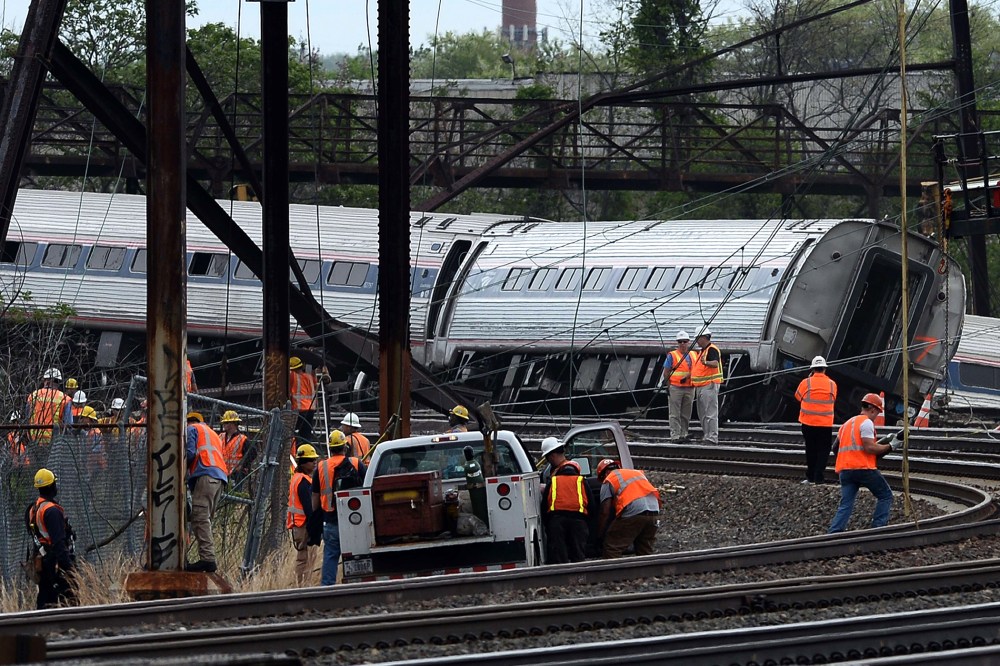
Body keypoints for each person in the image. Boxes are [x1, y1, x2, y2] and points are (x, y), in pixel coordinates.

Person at [828, 393, 898, 533]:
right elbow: (869, 447)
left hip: (845, 471)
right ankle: (877, 530)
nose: (877, 416)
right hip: (863, 469)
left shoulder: (847, 424)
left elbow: (835, 448)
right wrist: (892, 446)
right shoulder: (866, 423)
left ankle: (833, 533)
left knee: (846, 504)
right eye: (877, 412)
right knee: (885, 495)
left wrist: (848, 458)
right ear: (872, 409)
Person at [311, 429, 366, 585]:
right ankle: (357, 585)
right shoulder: (356, 463)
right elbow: (368, 487)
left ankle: (327, 590)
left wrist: (314, 516)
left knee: (330, 556)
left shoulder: (321, 467)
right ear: (345, 446)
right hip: (355, 521)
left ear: (330, 448)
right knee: (357, 555)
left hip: (330, 520)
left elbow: (315, 497)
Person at [25, 468, 75, 609]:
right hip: (55, 562)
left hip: (43, 560)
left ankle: (42, 628)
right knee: (69, 599)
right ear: (52, 486)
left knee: (45, 600)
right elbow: (58, 541)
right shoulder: (51, 511)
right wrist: (68, 566)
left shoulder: (34, 508)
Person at [185, 412, 229, 572]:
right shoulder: (212, 433)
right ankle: (205, 557)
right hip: (219, 477)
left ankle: (207, 559)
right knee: (204, 518)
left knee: (200, 517)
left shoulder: (191, 429)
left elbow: (189, 454)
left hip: (206, 474)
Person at [595, 458, 660, 558]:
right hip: (654, 512)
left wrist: (599, 533)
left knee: (612, 547)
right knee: (644, 549)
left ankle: (613, 573)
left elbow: (605, 512)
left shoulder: (609, 479)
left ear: (604, 473)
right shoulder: (636, 473)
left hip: (634, 513)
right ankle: (648, 573)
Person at [539, 437, 589, 563]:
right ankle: (581, 579)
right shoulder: (580, 479)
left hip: (557, 520)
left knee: (559, 555)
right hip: (578, 520)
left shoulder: (554, 480)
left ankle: (563, 580)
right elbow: (591, 504)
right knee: (578, 555)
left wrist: (546, 524)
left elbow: (544, 505)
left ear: (552, 456)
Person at [795, 355, 838, 484]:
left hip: (808, 422)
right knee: (823, 450)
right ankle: (819, 477)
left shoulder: (805, 383)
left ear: (812, 369)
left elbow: (797, 396)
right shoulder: (832, 384)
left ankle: (810, 477)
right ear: (825, 369)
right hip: (825, 424)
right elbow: (834, 398)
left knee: (811, 449)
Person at [287, 443, 320, 586]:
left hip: (298, 525)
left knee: (302, 558)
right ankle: (302, 585)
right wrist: (314, 526)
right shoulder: (304, 482)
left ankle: (300, 584)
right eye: (311, 460)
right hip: (303, 525)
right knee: (305, 559)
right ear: (303, 462)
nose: (314, 463)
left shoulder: (297, 478)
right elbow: (308, 506)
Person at [691, 328, 723, 445]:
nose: (696, 341)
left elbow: (714, 363)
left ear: (703, 337)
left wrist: (706, 363)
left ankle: (712, 437)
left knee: (710, 413)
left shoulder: (712, 349)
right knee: (703, 413)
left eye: (697, 338)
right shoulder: (703, 351)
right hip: (701, 385)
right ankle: (707, 435)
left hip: (709, 385)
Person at [662, 330, 695, 442]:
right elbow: (666, 371)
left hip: (690, 387)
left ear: (688, 342)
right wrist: (668, 386)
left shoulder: (693, 355)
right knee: (675, 413)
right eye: (680, 341)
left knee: (686, 413)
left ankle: (683, 434)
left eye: (684, 341)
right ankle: (675, 435)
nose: (682, 343)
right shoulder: (672, 355)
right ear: (677, 342)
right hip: (676, 387)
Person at [27, 367, 73, 446]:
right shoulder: (64, 399)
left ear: (45, 380)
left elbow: (26, 417)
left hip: (33, 440)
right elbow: (68, 424)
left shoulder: (33, 396)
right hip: (54, 442)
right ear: (58, 382)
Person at [289, 357, 330, 443]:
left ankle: (298, 450)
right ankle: (307, 450)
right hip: (311, 409)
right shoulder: (310, 376)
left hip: (299, 409)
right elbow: (316, 384)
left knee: (293, 432)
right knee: (306, 433)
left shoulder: (293, 375)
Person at [219, 410, 248, 478]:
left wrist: (242, 465)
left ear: (233, 423)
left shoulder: (242, 439)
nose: (224, 425)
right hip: (221, 471)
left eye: (226, 423)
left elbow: (252, 454)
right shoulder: (220, 436)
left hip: (235, 474)